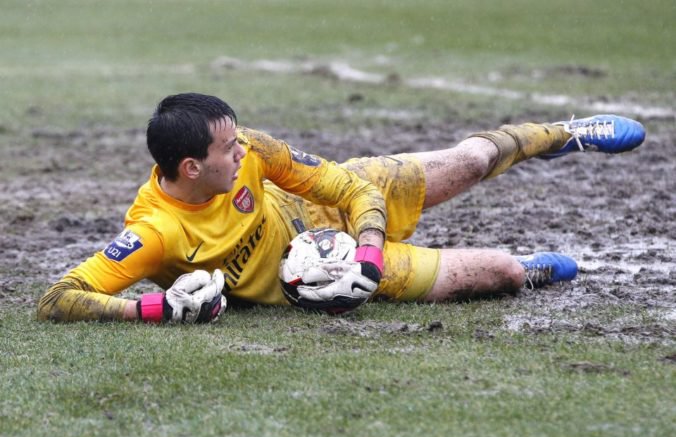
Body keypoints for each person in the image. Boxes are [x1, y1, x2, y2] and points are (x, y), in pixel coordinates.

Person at [36, 93, 646, 323]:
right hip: (324, 275)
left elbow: (350, 191)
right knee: (505, 275)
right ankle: (527, 267)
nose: (243, 147)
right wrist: (156, 308)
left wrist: (372, 252)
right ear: (191, 168)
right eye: (228, 146)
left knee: (468, 163)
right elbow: (57, 297)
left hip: (340, 227)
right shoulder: (155, 231)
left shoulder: (254, 152)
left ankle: (563, 133)